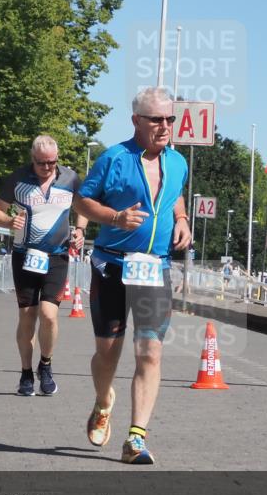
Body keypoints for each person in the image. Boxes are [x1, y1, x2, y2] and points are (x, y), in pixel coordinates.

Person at [73, 86, 191, 465]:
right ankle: (104, 400)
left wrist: (183, 219)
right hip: (112, 264)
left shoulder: (178, 163)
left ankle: (135, 438)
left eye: (169, 119)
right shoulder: (114, 158)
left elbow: (174, 195)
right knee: (107, 353)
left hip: (154, 268)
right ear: (136, 120)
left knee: (150, 353)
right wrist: (115, 218)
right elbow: (82, 200)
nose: (164, 126)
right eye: (156, 119)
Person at [0, 136, 86, 397]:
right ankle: (25, 373)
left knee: (49, 315)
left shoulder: (70, 179)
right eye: (41, 163)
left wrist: (80, 229)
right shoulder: (17, 179)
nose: (47, 168)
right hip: (25, 255)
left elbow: (83, 206)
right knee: (27, 316)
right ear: (32, 159)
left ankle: (45, 364)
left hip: (57, 256)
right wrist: (9, 222)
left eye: (52, 162)